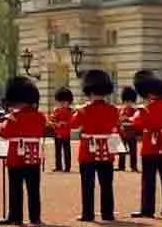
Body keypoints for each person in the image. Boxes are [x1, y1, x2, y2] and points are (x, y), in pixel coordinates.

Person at [129, 70, 162, 219]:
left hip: (150, 147)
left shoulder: (145, 109)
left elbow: (136, 123)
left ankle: (148, 209)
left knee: (148, 180)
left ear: (149, 93)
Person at [73, 69, 120, 222]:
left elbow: (73, 124)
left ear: (89, 91)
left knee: (87, 185)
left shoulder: (83, 110)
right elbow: (116, 126)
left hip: (88, 150)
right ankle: (108, 214)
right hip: (107, 150)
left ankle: (88, 214)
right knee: (106, 184)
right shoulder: (113, 110)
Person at [0, 76, 47, 226]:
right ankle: (35, 218)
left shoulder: (13, 117)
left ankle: (16, 217)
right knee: (33, 190)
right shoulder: (40, 116)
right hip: (33, 157)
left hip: (16, 158)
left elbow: (5, 132)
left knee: (15, 189)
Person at [52, 86, 75, 172]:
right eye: (60, 101)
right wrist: (56, 124)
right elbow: (52, 120)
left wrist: (64, 123)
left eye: (64, 101)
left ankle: (67, 167)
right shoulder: (56, 111)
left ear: (68, 102)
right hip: (57, 132)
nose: (62, 103)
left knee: (66, 151)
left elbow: (72, 122)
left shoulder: (71, 111)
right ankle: (58, 166)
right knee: (57, 151)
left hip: (66, 133)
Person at [118, 87, 139, 172]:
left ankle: (133, 166)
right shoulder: (120, 110)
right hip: (123, 133)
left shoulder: (135, 110)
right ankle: (121, 166)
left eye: (130, 101)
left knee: (133, 152)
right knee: (121, 151)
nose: (128, 103)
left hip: (132, 133)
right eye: (126, 101)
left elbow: (137, 121)